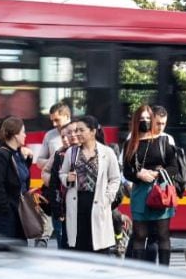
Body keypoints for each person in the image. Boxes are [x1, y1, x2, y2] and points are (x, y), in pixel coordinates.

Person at [123, 105, 181, 265]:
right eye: (142, 119)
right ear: (136, 121)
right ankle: (139, 273)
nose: (145, 122)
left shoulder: (163, 140)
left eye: (148, 118)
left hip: (160, 191)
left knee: (162, 234)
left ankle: (163, 273)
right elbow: (127, 171)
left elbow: (174, 166)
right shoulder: (130, 143)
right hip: (139, 192)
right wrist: (139, 174)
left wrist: (156, 174)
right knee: (139, 235)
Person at [60, 116, 122, 253]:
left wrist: (108, 197)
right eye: (76, 130)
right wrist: (67, 178)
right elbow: (62, 173)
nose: (77, 134)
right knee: (79, 248)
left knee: (99, 247)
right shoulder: (72, 152)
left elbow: (115, 178)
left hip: (99, 203)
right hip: (77, 205)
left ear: (93, 131)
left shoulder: (107, 152)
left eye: (81, 130)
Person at [0, 117, 33, 241]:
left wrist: (28, 159)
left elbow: (21, 177)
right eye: (23, 132)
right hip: (7, 214)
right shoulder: (1, 155)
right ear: (15, 135)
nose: (25, 135)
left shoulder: (18, 153)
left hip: (20, 211)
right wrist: (5, 209)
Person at [42, 121, 78, 249]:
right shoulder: (60, 154)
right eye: (63, 136)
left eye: (73, 132)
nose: (68, 137)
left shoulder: (85, 152)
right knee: (64, 242)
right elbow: (46, 173)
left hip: (79, 207)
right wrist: (60, 179)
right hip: (63, 205)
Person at [34, 102, 71, 170]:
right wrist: (54, 162)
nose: (54, 124)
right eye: (52, 121)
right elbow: (39, 162)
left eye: (57, 120)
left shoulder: (79, 131)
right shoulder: (49, 135)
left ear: (67, 116)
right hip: (56, 178)